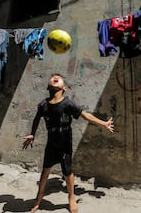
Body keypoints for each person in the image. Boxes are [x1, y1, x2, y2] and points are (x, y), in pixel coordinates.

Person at [22, 73, 114, 213]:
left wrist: (104, 124)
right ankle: (38, 198)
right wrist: (32, 134)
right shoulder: (43, 105)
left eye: (59, 78)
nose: (55, 77)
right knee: (45, 171)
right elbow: (36, 119)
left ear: (64, 88)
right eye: (52, 77)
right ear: (48, 86)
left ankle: (71, 197)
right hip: (51, 145)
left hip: (65, 145)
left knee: (68, 172)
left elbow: (85, 115)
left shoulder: (67, 104)